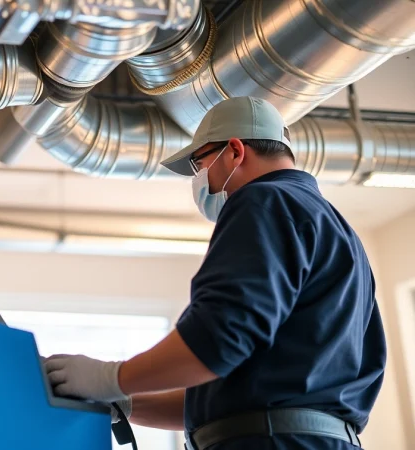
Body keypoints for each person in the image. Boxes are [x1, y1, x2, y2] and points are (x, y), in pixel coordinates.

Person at [43, 97, 385, 450]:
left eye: (198, 162)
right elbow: (227, 395)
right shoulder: (336, 231)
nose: (198, 178)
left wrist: (110, 377)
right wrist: (122, 403)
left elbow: (217, 341)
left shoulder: (263, 201)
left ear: (235, 151)